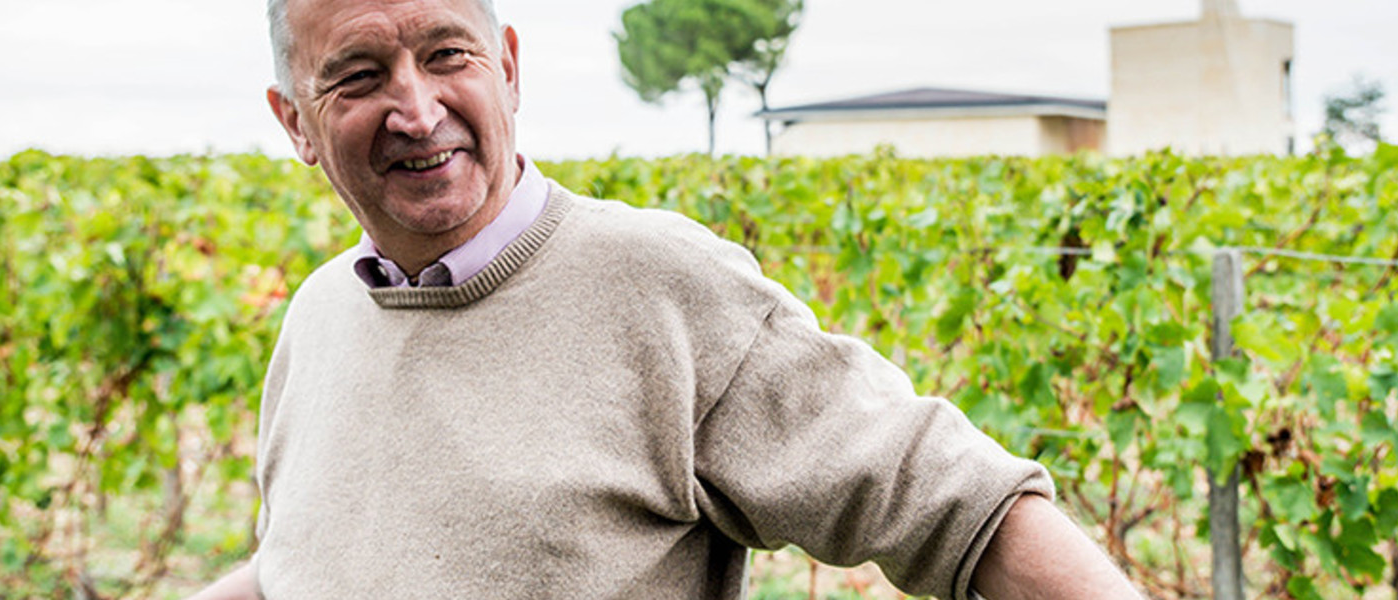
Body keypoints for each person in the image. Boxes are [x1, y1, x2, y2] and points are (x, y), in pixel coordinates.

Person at [189, 0, 1143, 598]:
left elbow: (960, 505)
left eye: (447, 55)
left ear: (508, 68)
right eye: (359, 77)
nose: (417, 109)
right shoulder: (319, 315)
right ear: (295, 124)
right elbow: (301, 566)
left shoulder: (659, 285)